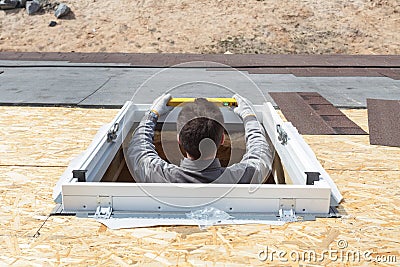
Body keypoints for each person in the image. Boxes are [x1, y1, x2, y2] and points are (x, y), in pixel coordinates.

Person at [127, 93, 273, 184]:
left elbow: (139, 149)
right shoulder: (242, 177)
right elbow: (260, 154)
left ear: (179, 139)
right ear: (222, 139)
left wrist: (152, 114)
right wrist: (249, 116)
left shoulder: (158, 175)